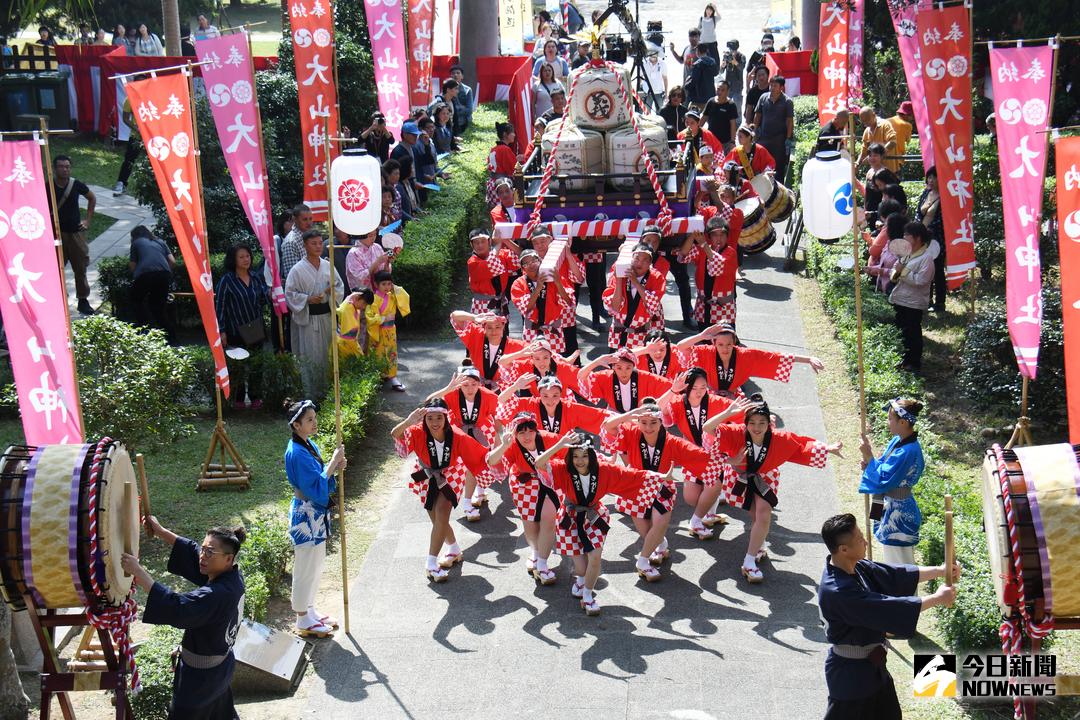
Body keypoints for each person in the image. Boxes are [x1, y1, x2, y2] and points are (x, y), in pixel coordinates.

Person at [817, 513, 959, 719]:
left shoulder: (854, 566)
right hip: (850, 677)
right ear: (843, 549)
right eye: (859, 538)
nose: (865, 541)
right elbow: (886, 608)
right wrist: (937, 598)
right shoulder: (838, 591)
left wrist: (940, 570)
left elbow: (895, 575)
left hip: (873, 667)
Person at [704, 393, 842, 581]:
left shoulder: (779, 438)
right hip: (739, 479)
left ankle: (749, 561)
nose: (756, 427)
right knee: (755, 516)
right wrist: (728, 413)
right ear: (745, 423)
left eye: (762, 423)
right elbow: (708, 428)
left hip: (765, 478)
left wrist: (828, 448)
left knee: (763, 514)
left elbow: (802, 444)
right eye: (752, 423)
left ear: (769, 424)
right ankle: (758, 545)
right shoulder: (736, 432)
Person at [120, 519, 246, 719]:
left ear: (228, 559)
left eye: (210, 552)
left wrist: (138, 571)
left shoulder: (217, 594)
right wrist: (161, 531)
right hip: (219, 668)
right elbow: (191, 549)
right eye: (203, 549)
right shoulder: (232, 577)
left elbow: (178, 607)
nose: (202, 556)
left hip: (202, 679)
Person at [533, 432, 669, 615]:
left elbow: (631, 475)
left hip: (594, 516)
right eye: (575, 456)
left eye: (584, 456)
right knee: (581, 568)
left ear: (592, 456)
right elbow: (539, 464)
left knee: (595, 558)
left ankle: (588, 597)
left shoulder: (604, 470)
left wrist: (660, 477)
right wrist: (560, 445)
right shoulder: (563, 469)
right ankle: (582, 580)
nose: (580, 461)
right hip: (569, 518)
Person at [602, 400, 715, 580]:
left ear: (661, 422)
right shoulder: (630, 433)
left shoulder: (673, 442)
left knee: (660, 522)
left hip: (662, 487)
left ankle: (643, 561)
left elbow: (700, 456)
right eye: (644, 422)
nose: (648, 427)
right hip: (635, 485)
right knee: (648, 533)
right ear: (637, 422)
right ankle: (660, 544)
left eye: (653, 422)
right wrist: (628, 415)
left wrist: (729, 461)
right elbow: (608, 427)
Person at [391, 398, 493, 581]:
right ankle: (453, 549)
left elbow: (481, 455)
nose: (435, 422)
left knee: (442, 512)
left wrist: (503, 448)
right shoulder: (417, 431)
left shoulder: (457, 435)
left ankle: (431, 563)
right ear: (424, 419)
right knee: (437, 519)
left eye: (439, 417)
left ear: (446, 418)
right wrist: (408, 421)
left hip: (451, 475)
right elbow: (395, 434)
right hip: (426, 475)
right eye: (430, 418)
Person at [282, 399, 346, 637]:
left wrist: (335, 466)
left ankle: (309, 609)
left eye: (314, 419)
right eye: (309, 420)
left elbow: (322, 479)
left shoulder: (309, 445)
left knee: (316, 564)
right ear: (296, 425)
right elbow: (313, 485)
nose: (314, 423)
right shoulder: (297, 452)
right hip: (305, 515)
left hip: (315, 513)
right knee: (306, 566)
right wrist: (331, 465)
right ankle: (302, 618)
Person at [657, 368, 746, 534]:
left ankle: (696, 521)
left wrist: (764, 417)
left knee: (713, 484)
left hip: (715, 454)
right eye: (694, 388)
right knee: (691, 498)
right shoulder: (677, 402)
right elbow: (654, 410)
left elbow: (742, 412)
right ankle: (708, 512)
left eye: (703, 387)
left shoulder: (716, 401)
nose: (699, 392)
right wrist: (672, 390)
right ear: (686, 388)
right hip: (691, 453)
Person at [486, 413, 562, 584]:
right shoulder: (511, 445)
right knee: (530, 524)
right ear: (515, 434)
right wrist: (504, 445)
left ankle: (542, 564)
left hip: (550, 481)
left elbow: (573, 456)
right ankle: (535, 552)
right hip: (524, 484)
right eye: (521, 432)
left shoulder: (550, 438)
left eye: (530, 431)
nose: (527, 436)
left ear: (536, 430)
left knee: (549, 520)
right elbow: (491, 461)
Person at [859, 397, 925, 565]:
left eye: (890, 418)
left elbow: (883, 480)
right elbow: (882, 466)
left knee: (900, 565)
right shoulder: (898, 442)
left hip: (899, 514)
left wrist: (869, 457)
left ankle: (904, 591)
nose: (887, 422)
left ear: (902, 422)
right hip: (891, 507)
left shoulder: (907, 451)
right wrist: (870, 464)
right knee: (893, 561)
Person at [676, 323, 823, 396]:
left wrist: (808, 359)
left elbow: (774, 357)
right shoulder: (706, 352)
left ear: (735, 342)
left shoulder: (745, 355)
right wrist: (701, 336)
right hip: (709, 398)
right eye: (720, 344)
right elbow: (681, 347)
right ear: (713, 343)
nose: (725, 348)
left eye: (729, 344)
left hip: (734, 398)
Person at [285, 231, 344, 397]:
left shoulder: (327, 266)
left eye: (320, 243)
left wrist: (331, 292)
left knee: (328, 355)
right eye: (314, 243)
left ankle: (329, 392)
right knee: (310, 355)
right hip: (309, 319)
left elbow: (339, 286)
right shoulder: (297, 270)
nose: (318, 246)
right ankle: (311, 394)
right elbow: (289, 294)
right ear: (305, 246)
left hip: (327, 317)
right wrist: (307, 299)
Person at [216, 244, 269, 408]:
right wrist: (222, 330)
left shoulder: (255, 277)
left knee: (256, 363)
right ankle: (238, 398)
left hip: (255, 327)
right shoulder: (227, 280)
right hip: (235, 330)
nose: (246, 259)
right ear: (233, 259)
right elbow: (220, 306)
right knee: (237, 365)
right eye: (241, 257)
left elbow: (262, 300)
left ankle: (255, 397)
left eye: (248, 256)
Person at [50, 155, 96, 315]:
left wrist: (87, 220)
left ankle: (83, 301)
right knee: (56, 269)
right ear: (55, 168)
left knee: (80, 268)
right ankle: (60, 300)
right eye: (61, 166)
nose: (65, 169)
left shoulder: (75, 184)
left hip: (76, 234)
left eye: (67, 166)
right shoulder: (48, 186)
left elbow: (92, 198)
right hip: (56, 234)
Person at [497, 374, 609, 439]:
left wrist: (622, 418)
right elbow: (502, 400)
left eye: (555, 395)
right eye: (545, 396)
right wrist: (515, 386)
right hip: (535, 454)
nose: (550, 400)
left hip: (561, 455)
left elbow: (597, 415)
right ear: (539, 394)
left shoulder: (569, 408)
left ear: (561, 394)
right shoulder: (530, 404)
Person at [889, 222, 936, 374]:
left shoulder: (926, 258)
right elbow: (896, 269)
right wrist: (894, 273)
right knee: (902, 330)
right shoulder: (907, 254)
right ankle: (903, 359)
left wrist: (903, 272)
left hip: (913, 302)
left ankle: (913, 362)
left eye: (906, 235)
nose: (903, 238)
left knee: (912, 332)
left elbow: (921, 280)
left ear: (917, 238)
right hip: (900, 298)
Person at [511, 248, 575, 355]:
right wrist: (538, 288)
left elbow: (569, 303)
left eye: (534, 261)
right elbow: (526, 309)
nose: (531, 265)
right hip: (531, 330)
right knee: (532, 362)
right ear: (522, 268)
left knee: (556, 362)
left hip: (553, 328)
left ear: (540, 261)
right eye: (526, 263)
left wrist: (558, 283)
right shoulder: (518, 283)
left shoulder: (553, 278)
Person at [602, 243, 666, 350]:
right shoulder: (622, 273)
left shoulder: (656, 277)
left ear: (650, 262)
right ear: (631, 259)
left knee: (639, 365)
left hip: (641, 334)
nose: (639, 263)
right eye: (636, 259)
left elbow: (652, 304)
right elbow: (615, 307)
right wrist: (619, 280)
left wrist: (635, 282)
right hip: (619, 333)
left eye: (645, 260)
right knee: (616, 365)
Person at [677, 215, 738, 327]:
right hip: (703, 305)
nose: (719, 238)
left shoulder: (731, 252)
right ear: (709, 236)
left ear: (727, 236)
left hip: (724, 307)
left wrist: (704, 244)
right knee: (704, 339)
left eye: (722, 235)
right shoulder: (702, 249)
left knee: (723, 340)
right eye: (715, 235)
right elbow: (683, 256)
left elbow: (718, 265)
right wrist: (692, 236)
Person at [578, 347, 673, 413]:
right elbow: (581, 376)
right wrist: (597, 361)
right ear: (613, 367)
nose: (624, 372)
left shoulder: (645, 377)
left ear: (634, 366)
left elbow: (669, 386)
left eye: (628, 368)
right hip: (614, 417)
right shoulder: (605, 376)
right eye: (619, 368)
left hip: (638, 417)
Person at [450, 311, 525, 391]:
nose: (493, 331)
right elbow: (454, 316)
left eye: (497, 327)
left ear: (503, 326)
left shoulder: (516, 345)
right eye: (489, 327)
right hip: (475, 387)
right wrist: (474, 317)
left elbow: (535, 352)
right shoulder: (476, 335)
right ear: (484, 327)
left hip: (503, 390)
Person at [128, 225, 176, 343]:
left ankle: (144, 330)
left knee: (135, 300)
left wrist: (138, 276)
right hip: (164, 274)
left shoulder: (136, 243)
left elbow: (133, 266)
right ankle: (172, 339)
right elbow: (172, 262)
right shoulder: (160, 241)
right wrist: (163, 272)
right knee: (158, 308)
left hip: (146, 275)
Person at [367, 270, 410, 391]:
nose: (387, 287)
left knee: (391, 353)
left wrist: (395, 288)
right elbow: (369, 317)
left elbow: (404, 296)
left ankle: (392, 377)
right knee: (378, 354)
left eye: (389, 284)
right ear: (376, 284)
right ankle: (378, 376)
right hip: (379, 331)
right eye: (383, 284)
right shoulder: (374, 299)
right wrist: (383, 318)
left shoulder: (392, 296)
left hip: (390, 330)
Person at [498, 338, 580, 397]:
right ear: (531, 358)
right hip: (538, 405)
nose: (541, 362)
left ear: (551, 356)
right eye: (537, 359)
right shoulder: (527, 365)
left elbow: (586, 380)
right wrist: (521, 353)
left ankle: (564, 360)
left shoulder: (562, 368)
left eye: (545, 357)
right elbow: (502, 362)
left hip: (562, 404)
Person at [466, 228, 520, 317]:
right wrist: (498, 245)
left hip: (501, 302)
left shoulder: (501, 254)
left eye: (483, 241)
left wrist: (505, 240)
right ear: (471, 245)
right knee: (483, 330)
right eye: (476, 242)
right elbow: (490, 264)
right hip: (482, 304)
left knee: (503, 330)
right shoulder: (472, 262)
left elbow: (521, 258)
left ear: (489, 241)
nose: (480, 245)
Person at [753, 75, 795, 184]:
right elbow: (757, 116)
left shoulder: (787, 101)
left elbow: (789, 121)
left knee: (778, 165)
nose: (771, 88)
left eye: (775, 86)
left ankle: (777, 187)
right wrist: (754, 130)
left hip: (778, 139)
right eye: (771, 85)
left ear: (781, 87)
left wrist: (788, 138)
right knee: (761, 162)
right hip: (763, 137)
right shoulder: (763, 97)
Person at [916, 167, 946, 313]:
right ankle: (927, 300)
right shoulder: (926, 193)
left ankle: (940, 302)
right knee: (925, 269)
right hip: (922, 238)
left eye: (935, 177)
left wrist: (929, 231)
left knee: (938, 270)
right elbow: (918, 213)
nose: (931, 180)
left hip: (937, 239)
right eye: (929, 177)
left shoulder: (946, 196)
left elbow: (942, 219)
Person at [279, 203, 314, 283]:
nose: (309, 223)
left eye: (310, 219)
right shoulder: (291, 242)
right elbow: (292, 276)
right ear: (295, 220)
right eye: (305, 219)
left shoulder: (310, 236)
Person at [857, 106, 898, 172]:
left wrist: (878, 155)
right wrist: (857, 164)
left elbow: (892, 142)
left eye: (867, 120)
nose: (866, 124)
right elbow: (863, 152)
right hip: (875, 172)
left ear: (874, 115)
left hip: (889, 171)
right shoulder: (867, 131)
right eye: (863, 122)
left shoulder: (885, 124)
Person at [487, 122, 519, 207]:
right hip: (503, 185)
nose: (514, 135)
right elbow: (514, 170)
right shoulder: (505, 149)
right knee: (506, 213)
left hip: (492, 184)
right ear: (505, 134)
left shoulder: (494, 149)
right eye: (512, 132)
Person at [702, 80, 739, 150]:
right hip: (711, 140)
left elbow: (733, 125)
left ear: (727, 92)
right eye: (718, 89)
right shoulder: (711, 102)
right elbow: (703, 119)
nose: (720, 92)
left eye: (723, 90)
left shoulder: (731, 105)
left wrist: (733, 141)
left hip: (725, 142)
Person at [336, 289, 373, 358]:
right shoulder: (347, 306)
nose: (364, 307)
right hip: (344, 342)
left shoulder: (355, 308)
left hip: (352, 342)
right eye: (364, 303)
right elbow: (340, 310)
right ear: (357, 297)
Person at [449, 65, 475, 135]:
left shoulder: (467, 90)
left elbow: (469, 110)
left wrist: (454, 111)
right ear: (450, 76)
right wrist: (461, 108)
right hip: (450, 123)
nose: (455, 75)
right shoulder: (446, 90)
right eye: (453, 73)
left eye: (458, 73)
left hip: (464, 123)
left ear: (462, 76)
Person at [721, 40, 746, 110]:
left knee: (737, 108)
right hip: (728, 86)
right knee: (725, 107)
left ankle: (738, 121)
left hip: (737, 86)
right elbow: (721, 71)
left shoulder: (741, 57)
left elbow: (741, 68)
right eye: (730, 49)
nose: (731, 51)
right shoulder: (727, 56)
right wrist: (723, 64)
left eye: (733, 50)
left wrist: (734, 61)